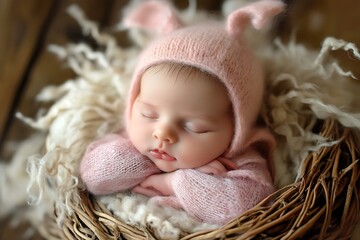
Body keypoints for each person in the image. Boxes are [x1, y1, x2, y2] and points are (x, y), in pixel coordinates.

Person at [80, 0, 285, 225]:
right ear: (133, 102)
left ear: (236, 128)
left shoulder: (240, 159)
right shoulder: (129, 141)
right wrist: (150, 162)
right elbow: (94, 176)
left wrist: (175, 181)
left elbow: (247, 206)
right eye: (149, 114)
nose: (162, 133)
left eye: (194, 127)